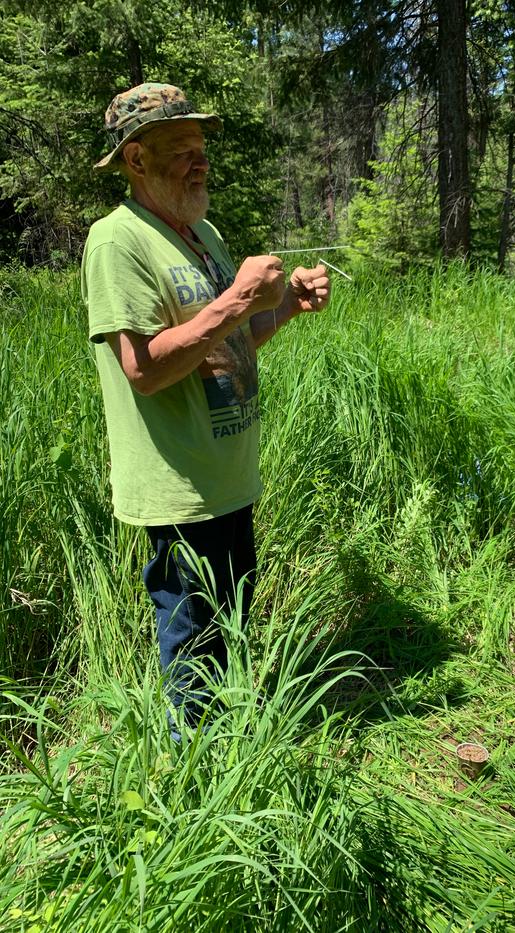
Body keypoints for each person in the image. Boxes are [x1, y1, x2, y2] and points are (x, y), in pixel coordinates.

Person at [81, 83, 331, 725]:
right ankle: (193, 783)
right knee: (191, 648)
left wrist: (283, 309)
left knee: (230, 635)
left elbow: (227, 344)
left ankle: (233, 754)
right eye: (181, 149)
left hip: (228, 479)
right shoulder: (117, 242)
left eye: (202, 149)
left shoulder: (202, 232)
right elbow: (143, 370)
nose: (201, 162)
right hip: (178, 488)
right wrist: (242, 298)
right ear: (135, 159)